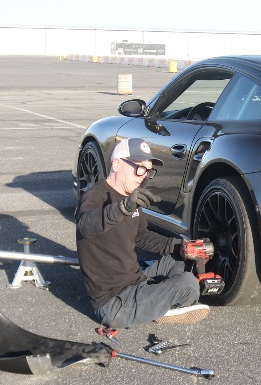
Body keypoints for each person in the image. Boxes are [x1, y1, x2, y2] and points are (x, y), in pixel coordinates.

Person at [75, 138, 209, 327]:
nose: (143, 175)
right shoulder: (95, 196)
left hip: (135, 280)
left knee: (183, 258)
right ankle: (162, 306)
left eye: (147, 171)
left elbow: (142, 236)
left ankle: (156, 303)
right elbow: (86, 226)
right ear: (116, 164)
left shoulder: (129, 197)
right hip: (114, 302)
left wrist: (181, 247)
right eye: (139, 168)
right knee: (188, 284)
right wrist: (123, 208)